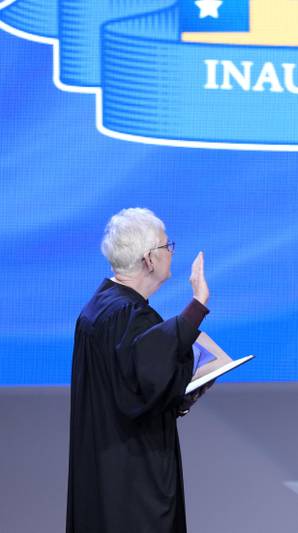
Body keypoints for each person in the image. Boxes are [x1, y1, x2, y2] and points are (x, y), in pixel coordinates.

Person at [67, 208, 211, 533]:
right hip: (134, 479)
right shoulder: (128, 315)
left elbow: (131, 383)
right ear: (149, 259)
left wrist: (181, 395)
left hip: (102, 470)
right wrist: (198, 303)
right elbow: (149, 373)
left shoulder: (97, 308)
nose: (171, 252)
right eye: (166, 246)